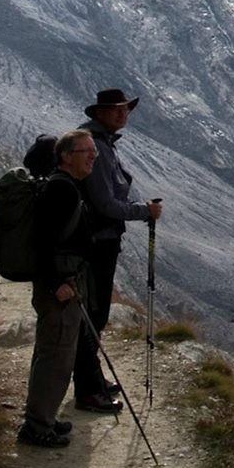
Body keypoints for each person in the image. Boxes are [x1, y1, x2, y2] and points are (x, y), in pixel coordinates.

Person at [72, 88, 163, 414]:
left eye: (125, 110)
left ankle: (92, 377)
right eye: (116, 110)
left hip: (99, 237)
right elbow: (105, 203)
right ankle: (86, 390)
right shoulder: (95, 147)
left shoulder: (101, 143)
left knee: (96, 313)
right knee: (93, 314)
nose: (123, 115)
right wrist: (143, 211)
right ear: (99, 113)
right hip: (97, 240)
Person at [19, 128, 98, 449]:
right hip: (61, 286)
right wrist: (56, 284)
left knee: (54, 351)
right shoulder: (61, 190)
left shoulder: (63, 186)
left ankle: (44, 418)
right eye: (86, 151)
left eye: (94, 151)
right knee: (57, 354)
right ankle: (37, 427)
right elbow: (44, 242)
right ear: (66, 156)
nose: (93, 156)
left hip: (65, 282)